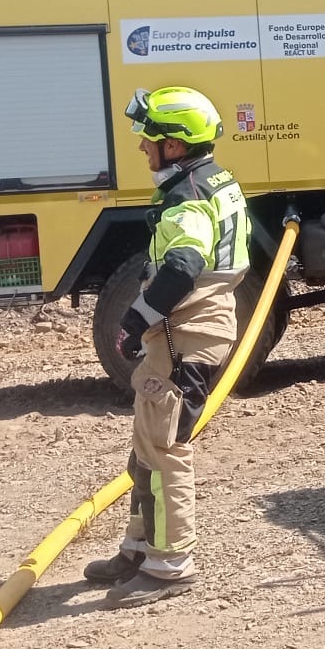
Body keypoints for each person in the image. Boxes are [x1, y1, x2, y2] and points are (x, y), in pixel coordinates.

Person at [84, 86, 250, 610]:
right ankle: (138, 549)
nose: (142, 149)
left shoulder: (186, 198)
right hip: (185, 332)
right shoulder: (210, 179)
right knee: (146, 447)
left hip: (187, 335)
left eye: (149, 140)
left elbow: (182, 265)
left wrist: (136, 320)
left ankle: (169, 567)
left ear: (174, 147)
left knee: (166, 451)